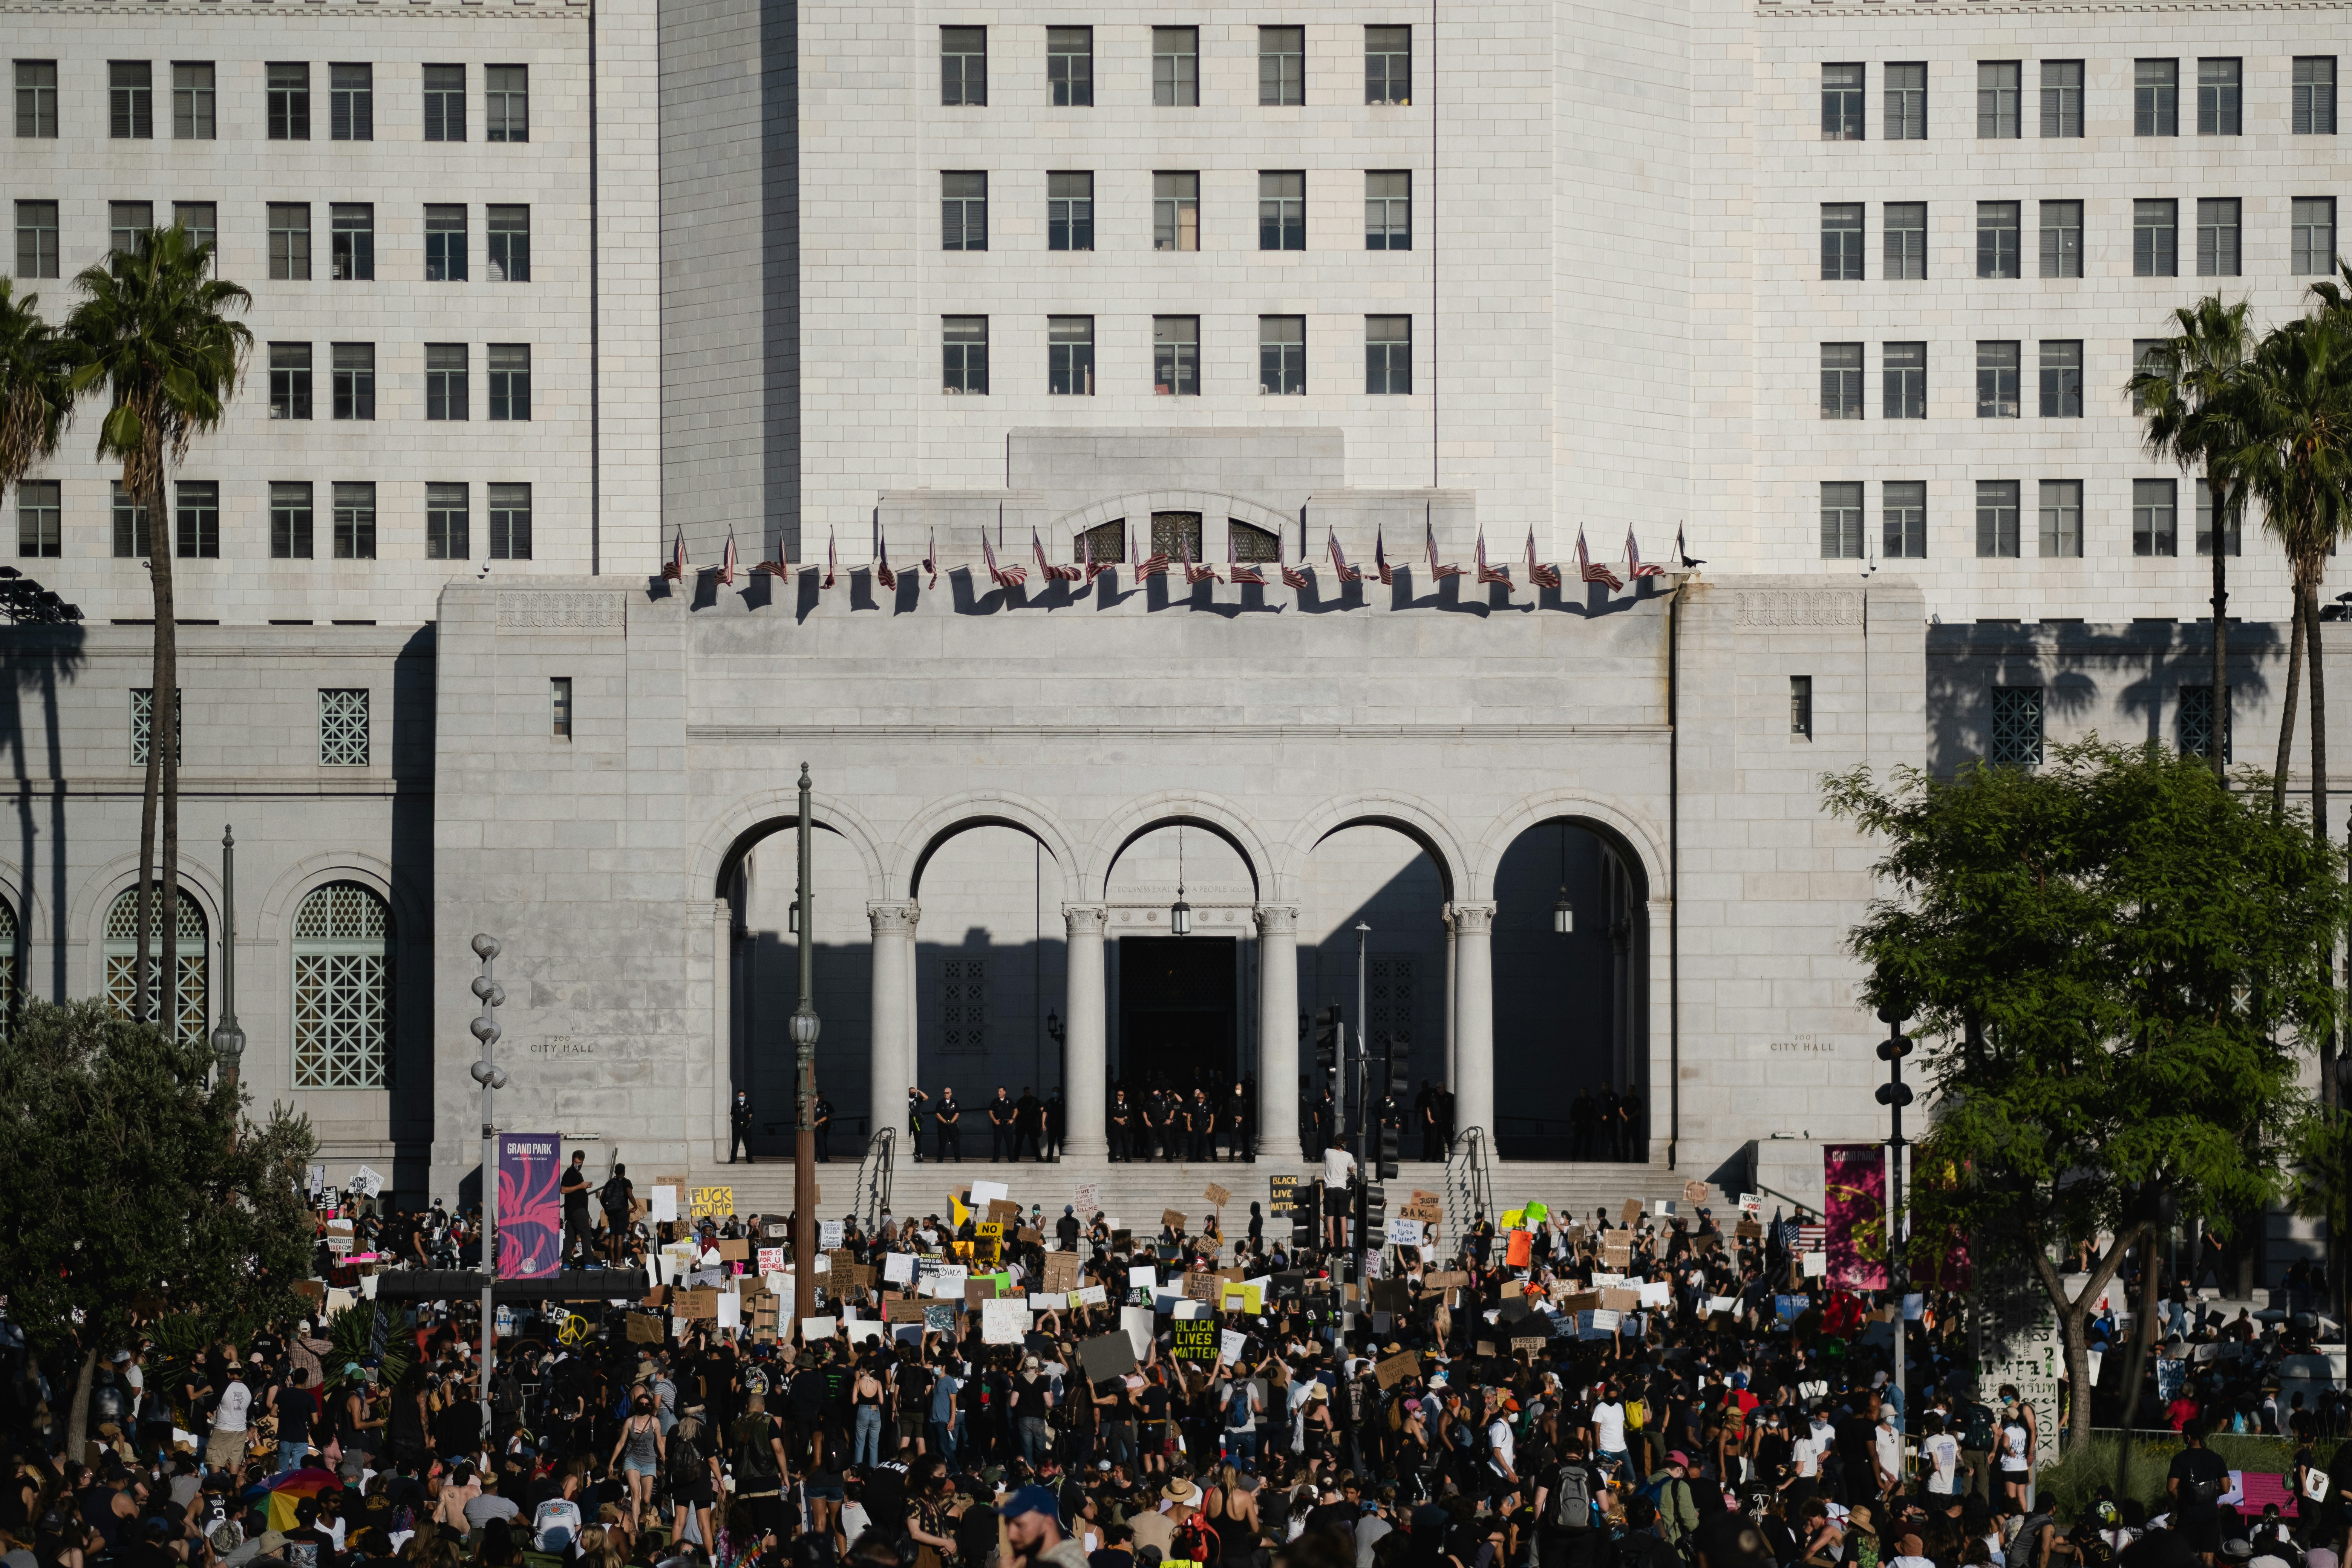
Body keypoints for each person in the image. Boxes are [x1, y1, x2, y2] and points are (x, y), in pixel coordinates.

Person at [2168, 1421, 2231, 1566]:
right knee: (2208, 1555)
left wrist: (2181, 1501)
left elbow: (2171, 1488)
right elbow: (2226, 1488)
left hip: (2189, 1512)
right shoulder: (2216, 1458)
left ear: (2188, 1437)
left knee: (2183, 1553)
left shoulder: (2180, 1459)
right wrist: (2211, 1495)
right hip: (2211, 1513)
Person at [607, 1393, 664, 1530]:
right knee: (635, 1493)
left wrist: (664, 1458)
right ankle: (635, 1529)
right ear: (636, 1405)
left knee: (646, 1499)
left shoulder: (655, 1422)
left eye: (647, 1404)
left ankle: (642, 1517)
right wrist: (611, 1462)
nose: (644, 1406)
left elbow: (660, 1443)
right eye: (641, 1404)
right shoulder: (630, 1422)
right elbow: (621, 1443)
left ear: (651, 1406)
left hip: (649, 1462)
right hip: (632, 1460)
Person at [560, 1151, 595, 1263]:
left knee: (570, 1236)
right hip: (576, 1209)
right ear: (572, 1161)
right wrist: (580, 1186)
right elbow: (563, 1190)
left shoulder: (578, 1174)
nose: (577, 1165)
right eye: (575, 1162)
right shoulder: (570, 1173)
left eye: (579, 1163)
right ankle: (589, 1262)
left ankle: (566, 1262)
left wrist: (584, 1187)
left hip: (575, 1210)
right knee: (586, 1234)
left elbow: (576, 1189)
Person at [599, 1163, 635, 1262]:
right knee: (620, 1236)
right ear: (624, 1172)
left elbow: (602, 1198)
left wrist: (607, 1209)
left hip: (611, 1213)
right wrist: (635, 1206)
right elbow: (630, 1196)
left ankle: (613, 1262)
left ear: (615, 1172)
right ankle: (619, 1262)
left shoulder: (610, 1183)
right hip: (623, 1212)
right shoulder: (626, 1182)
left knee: (612, 1236)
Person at [937, 1089, 964, 1163]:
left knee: (956, 1143)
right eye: (945, 1093)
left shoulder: (955, 1102)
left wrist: (951, 1122)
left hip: (953, 1126)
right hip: (943, 1126)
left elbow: (957, 1113)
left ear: (951, 1094)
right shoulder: (941, 1103)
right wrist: (945, 1122)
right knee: (942, 1143)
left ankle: (958, 1159)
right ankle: (940, 1159)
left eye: (947, 1093)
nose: (946, 1094)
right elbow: (938, 1114)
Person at [991, 1087, 1017, 1161]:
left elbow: (1016, 1110)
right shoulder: (995, 1101)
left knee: (1009, 1142)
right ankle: (996, 1159)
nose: (999, 1093)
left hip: (1007, 1124)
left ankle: (1011, 1158)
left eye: (1000, 1091)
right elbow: (990, 1111)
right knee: (997, 1142)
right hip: (998, 1124)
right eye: (998, 1091)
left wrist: (1012, 1119)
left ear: (1004, 1092)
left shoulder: (1009, 1100)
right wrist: (994, 1120)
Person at [731, 1090, 755, 1164]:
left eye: (742, 1096)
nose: (741, 1097)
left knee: (748, 1143)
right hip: (737, 1125)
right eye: (740, 1096)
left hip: (746, 1126)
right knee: (735, 1143)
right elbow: (732, 1114)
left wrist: (747, 1119)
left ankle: (750, 1159)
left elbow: (751, 1113)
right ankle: (733, 1159)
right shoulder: (735, 1105)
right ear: (738, 1096)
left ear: (745, 1096)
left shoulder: (748, 1104)